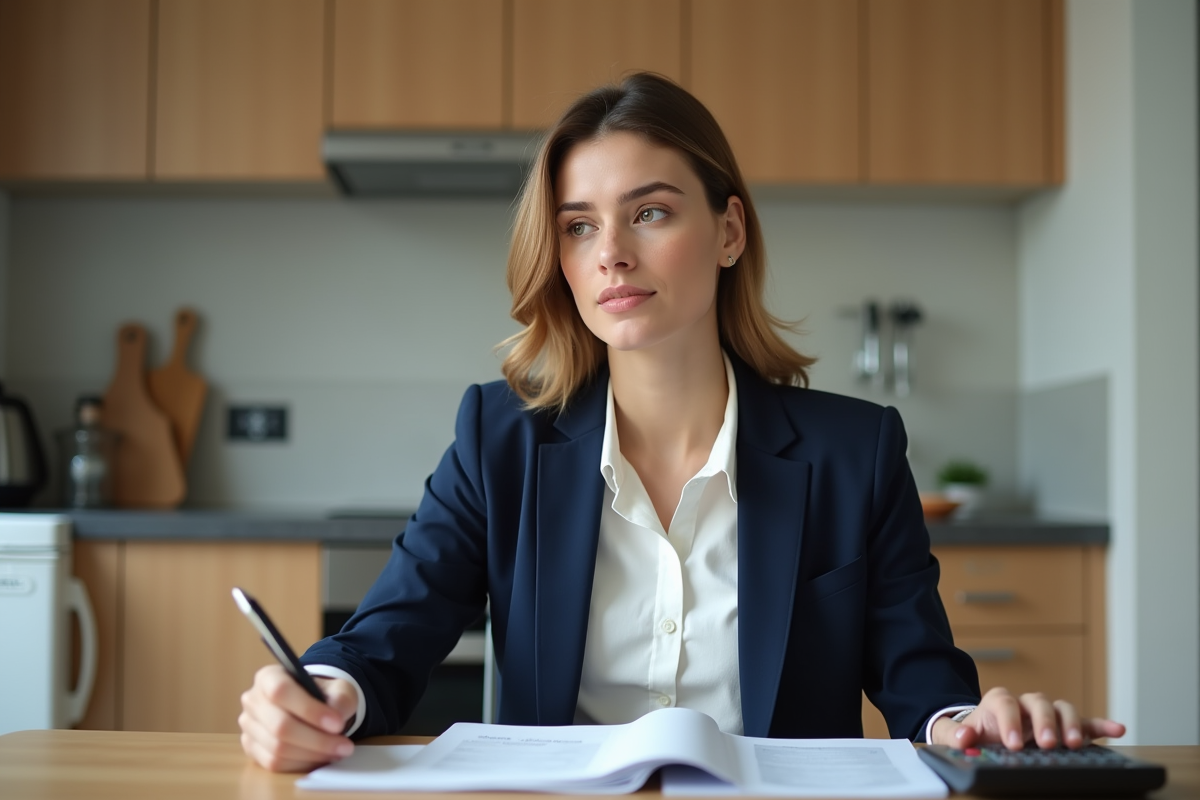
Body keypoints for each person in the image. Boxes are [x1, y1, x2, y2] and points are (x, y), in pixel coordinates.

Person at [238, 73, 1125, 773]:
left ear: (729, 230)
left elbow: (920, 678)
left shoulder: (854, 451)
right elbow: (388, 637)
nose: (611, 252)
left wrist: (978, 724)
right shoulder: (497, 437)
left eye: (650, 212)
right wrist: (320, 693)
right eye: (578, 227)